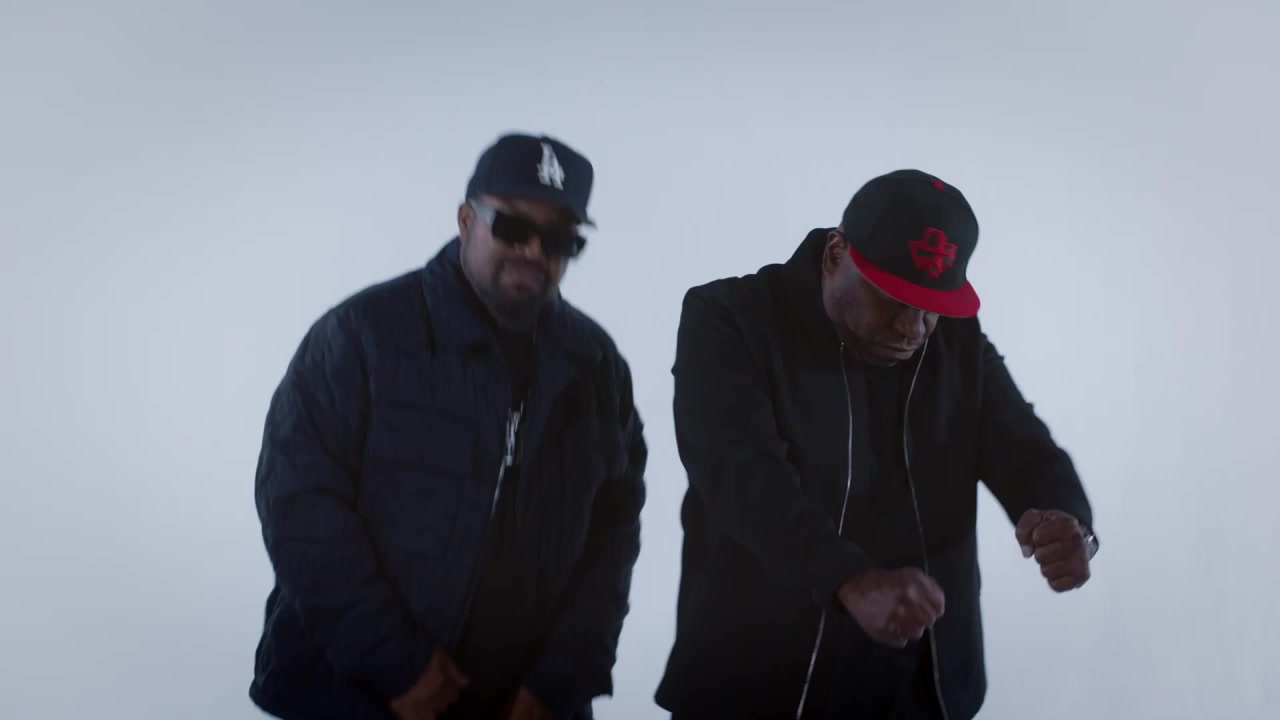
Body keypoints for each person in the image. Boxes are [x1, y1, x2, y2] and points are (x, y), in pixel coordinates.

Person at [654, 169, 1099, 720]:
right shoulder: (731, 318)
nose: (913, 328)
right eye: (894, 298)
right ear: (835, 254)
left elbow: (1022, 444)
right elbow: (741, 476)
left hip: (920, 688)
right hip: (756, 681)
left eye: (931, 306)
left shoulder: (955, 338)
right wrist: (848, 577)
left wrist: (1068, 520)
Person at [249, 133, 647, 720]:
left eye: (560, 238)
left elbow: (614, 535)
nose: (534, 250)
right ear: (466, 220)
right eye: (513, 226)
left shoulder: (596, 365)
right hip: (351, 694)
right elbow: (298, 502)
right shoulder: (362, 335)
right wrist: (394, 663)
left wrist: (560, 681)